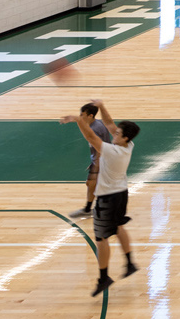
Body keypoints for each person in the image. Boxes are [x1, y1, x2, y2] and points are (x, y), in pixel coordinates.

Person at [72, 99, 140, 296]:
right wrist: (102, 107)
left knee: (101, 239)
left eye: (118, 134)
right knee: (118, 227)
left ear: (125, 138)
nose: (113, 133)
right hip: (121, 194)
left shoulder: (112, 151)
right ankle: (129, 263)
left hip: (107, 198)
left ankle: (103, 277)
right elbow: (110, 124)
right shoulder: (128, 145)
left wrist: (79, 121)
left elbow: (91, 137)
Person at [58, 102, 112, 219]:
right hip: (101, 160)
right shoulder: (95, 125)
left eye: (82, 115)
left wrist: (96, 164)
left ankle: (93, 210)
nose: (81, 117)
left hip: (103, 160)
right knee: (93, 184)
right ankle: (91, 209)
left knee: (94, 184)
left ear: (90, 116)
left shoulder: (95, 128)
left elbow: (100, 148)